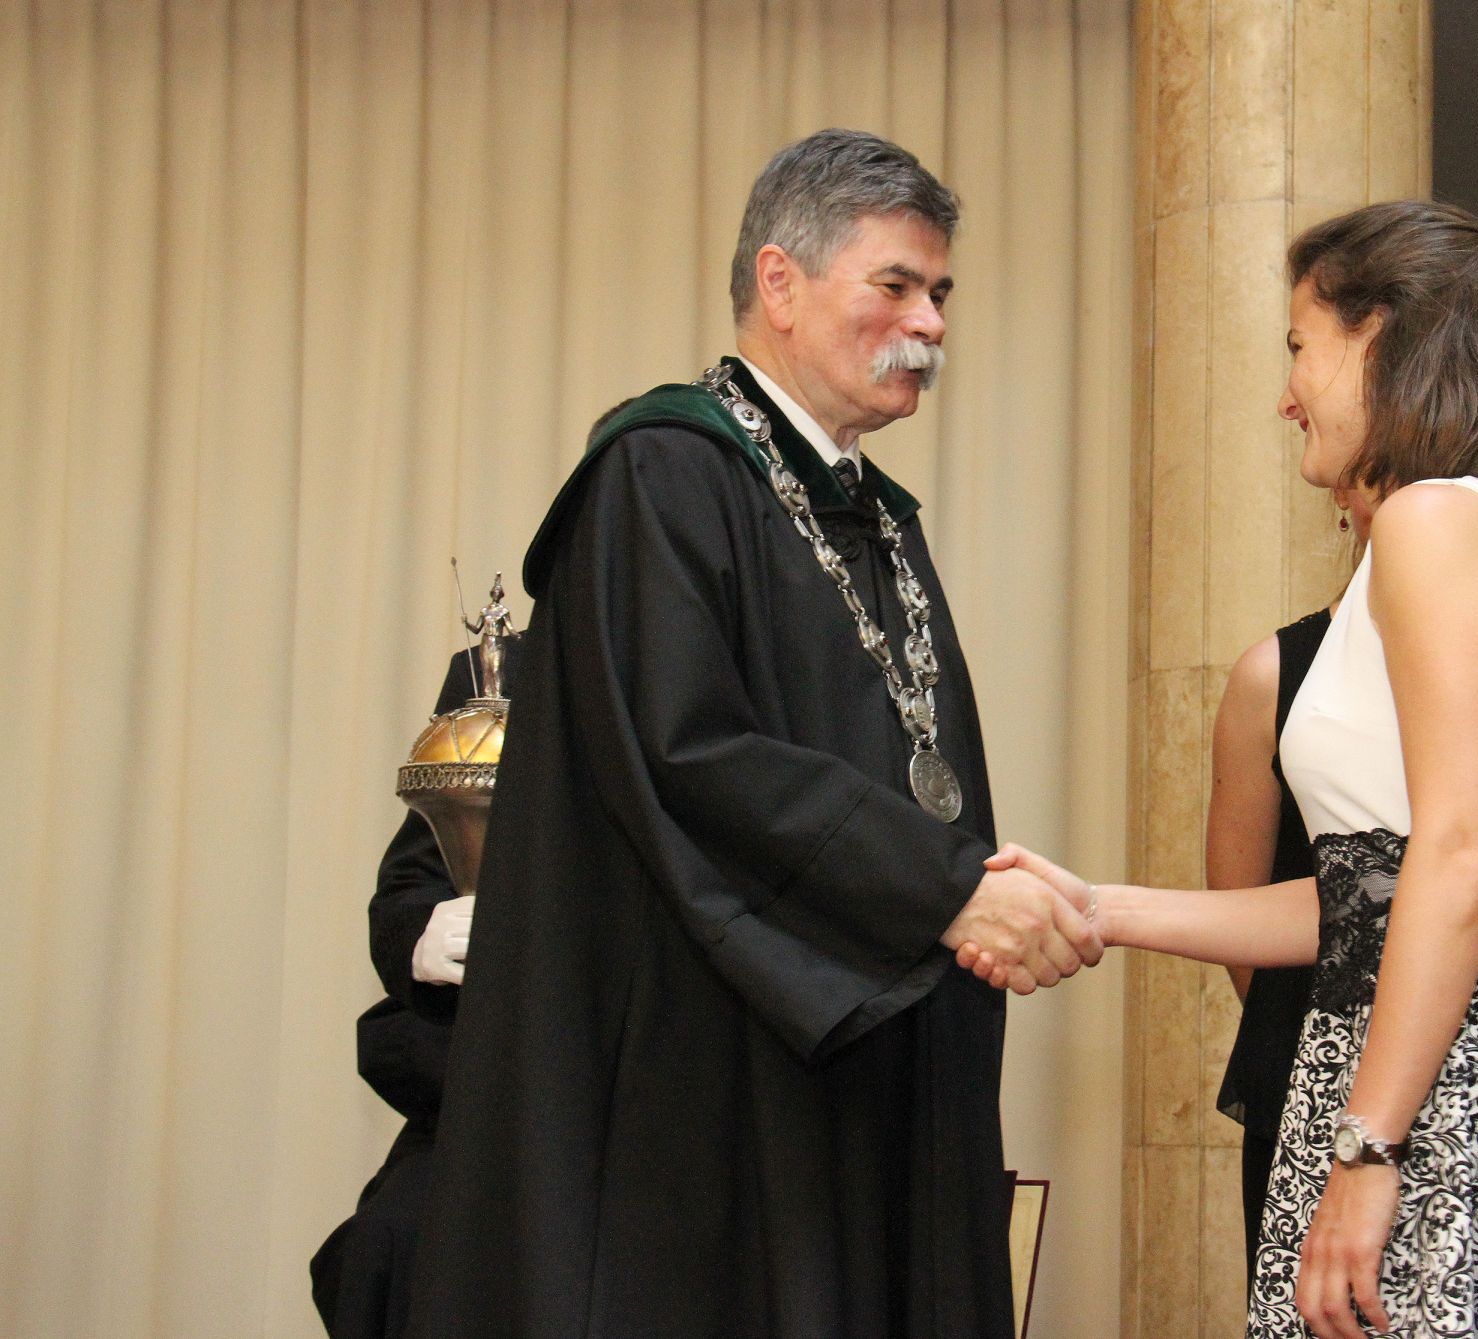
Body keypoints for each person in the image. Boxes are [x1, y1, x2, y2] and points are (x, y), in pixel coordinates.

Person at [401, 129, 1098, 1339]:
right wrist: (940, 890)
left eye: (939, 293)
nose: (930, 324)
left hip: (862, 1024)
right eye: (897, 285)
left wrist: (957, 896)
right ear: (779, 282)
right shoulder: (662, 473)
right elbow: (690, 757)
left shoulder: (871, 516)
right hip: (711, 1074)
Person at [969, 201, 1478, 1337]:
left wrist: (1370, 1147)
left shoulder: (1433, 520)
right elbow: (1370, 892)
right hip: (1427, 1062)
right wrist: (1101, 908)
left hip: (1455, 1085)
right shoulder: (1438, 538)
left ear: (1376, 335)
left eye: (1298, 345)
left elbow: (1461, 854)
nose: (1286, 393)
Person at [1209, 601, 1478, 1283]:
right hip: (1314, 1075)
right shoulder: (1274, 671)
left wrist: (1464, 1052)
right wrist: (1340, 1048)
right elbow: (1242, 913)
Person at [310, 644, 505, 1338]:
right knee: (389, 1246)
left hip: (685, 1082)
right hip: (495, 1083)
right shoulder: (507, 668)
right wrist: (427, 933)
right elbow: (408, 887)